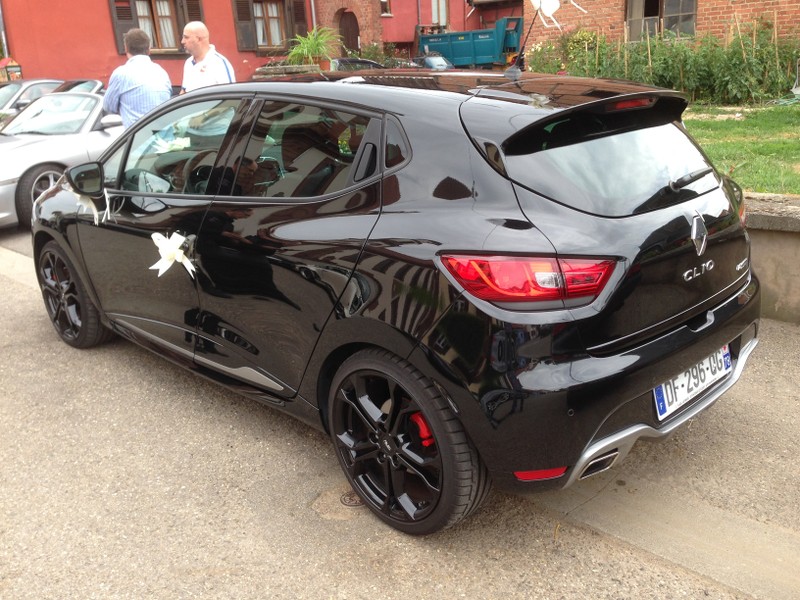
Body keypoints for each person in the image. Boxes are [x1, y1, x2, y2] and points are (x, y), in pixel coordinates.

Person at [103, 29, 172, 128]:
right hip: (164, 136)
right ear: (149, 50)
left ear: (126, 48)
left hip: (139, 138)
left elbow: (108, 106)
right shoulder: (162, 72)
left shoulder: (121, 74)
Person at [180, 21, 236, 93]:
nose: (182, 41)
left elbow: (230, 95)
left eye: (186, 37)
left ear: (198, 39)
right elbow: (184, 91)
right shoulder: (188, 63)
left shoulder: (219, 63)